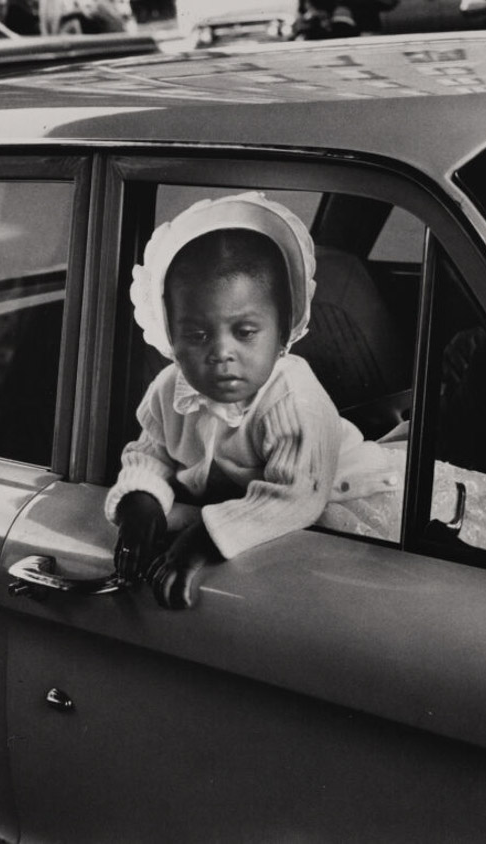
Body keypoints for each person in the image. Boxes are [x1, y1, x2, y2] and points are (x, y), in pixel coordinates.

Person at [105, 192, 404, 609]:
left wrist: (201, 540)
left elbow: (296, 495)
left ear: (283, 332)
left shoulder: (293, 397)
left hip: (342, 498)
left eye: (244, 332)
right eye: (196, 335)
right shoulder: (168, 388)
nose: (221, 353)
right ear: (169, 336)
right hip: (258, 510)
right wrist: (142, 501)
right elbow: (150, 452)